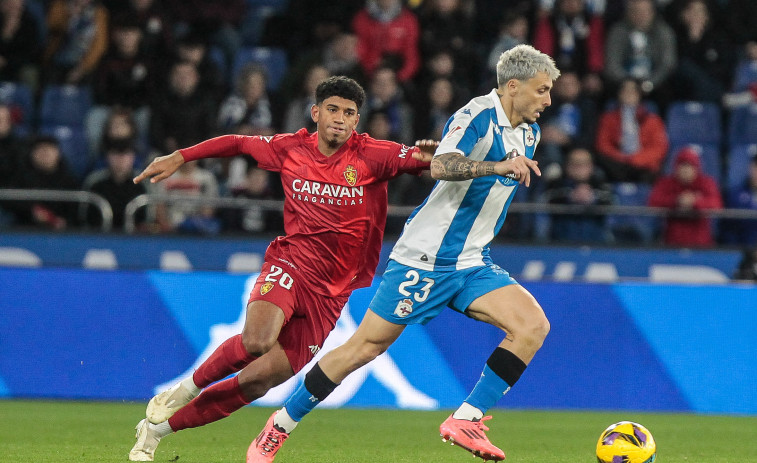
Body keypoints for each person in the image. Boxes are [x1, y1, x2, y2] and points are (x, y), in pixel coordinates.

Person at [248, 44, 558, 463]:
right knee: (364, 349)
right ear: (513, 86)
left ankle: (465, 419)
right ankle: (277, 428)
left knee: (532, 326)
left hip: (470, 261)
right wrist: (495, 166)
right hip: (425, 258)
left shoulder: (529, 133)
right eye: (542, 90)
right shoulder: (477, 116)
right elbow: (442, 165)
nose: (548, 100)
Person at [127, 76, 435, 461]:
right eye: (334, 110)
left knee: (258, 383)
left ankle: (156, 431)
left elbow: (431, 164)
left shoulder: (374, 155)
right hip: (290, 262)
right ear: (316, 112)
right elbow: (237, 142)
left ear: (357, 120)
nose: (341, 119)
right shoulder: (290, 147)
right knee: (256, 340)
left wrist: (440, 159)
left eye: (350, 113)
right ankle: (184, 389)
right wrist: (182, 157)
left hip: (331, 294)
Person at [594, 78, 669, 184]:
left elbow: (659, 147)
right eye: (625, 90)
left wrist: (636, 159)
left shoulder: (653, 120)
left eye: (632, 91)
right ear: (619, 94)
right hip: (618, 164)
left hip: (643, 165)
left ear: (639, 95)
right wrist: (621, 157)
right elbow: (602, 144)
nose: (628, 94)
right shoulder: (608, 118)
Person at [648, 146, 722, 247]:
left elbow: (716, 205)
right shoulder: (666, 183)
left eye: (690, 166)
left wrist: (695, 202)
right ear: (676, 167)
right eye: (682, 165)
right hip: (672, 243)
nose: (686, 170)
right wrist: (676, 200)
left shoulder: (706, 183)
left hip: (701, 245)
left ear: (697, 168)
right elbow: (653, 202)